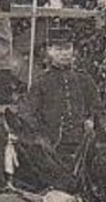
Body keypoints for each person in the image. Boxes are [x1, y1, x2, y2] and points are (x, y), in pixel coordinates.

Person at [19, 20, 101, 171]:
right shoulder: (41, 83)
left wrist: (91, 120)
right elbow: (28, 114)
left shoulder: (85, 80)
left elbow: (98, 108)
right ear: (49, 51)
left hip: (83, 143)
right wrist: (42, 138)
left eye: (67, 48)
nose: (64, 53)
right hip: (53, 146)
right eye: (59, 49)